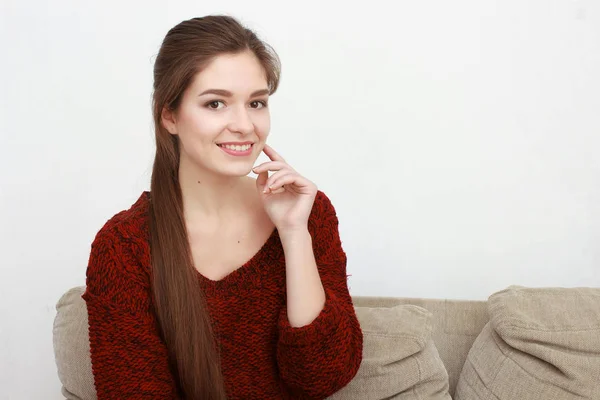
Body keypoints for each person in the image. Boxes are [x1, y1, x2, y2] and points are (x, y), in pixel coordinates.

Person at [82, 15, 363, 399]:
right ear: (170, 115)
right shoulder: (123, 247)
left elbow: (322, 377)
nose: (244, 125)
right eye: (216, 103)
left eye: (256, 102)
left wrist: (294, 234)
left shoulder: (309, 212)